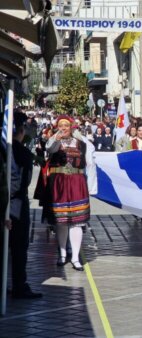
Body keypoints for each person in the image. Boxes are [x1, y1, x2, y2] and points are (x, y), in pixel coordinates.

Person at [36, 115, 97, 272]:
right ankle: (62, 253)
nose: (63, 128)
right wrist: (57, 135)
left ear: (72, 127)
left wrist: (91, 187)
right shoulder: (55, 141)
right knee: (61, 220)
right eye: (60, 125)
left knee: (76, 221)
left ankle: (75, 257)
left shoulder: (82, 144)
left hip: (76, 182)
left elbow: (90, 164)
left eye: (66, 125)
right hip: (59, 183)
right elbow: (50, 148)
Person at [3, 112, 43, 298]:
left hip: (10, 202)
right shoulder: (21, 153)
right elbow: (22, 182)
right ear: (20, 130)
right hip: (16, 205)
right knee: (18, 247)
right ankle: (19, 285)